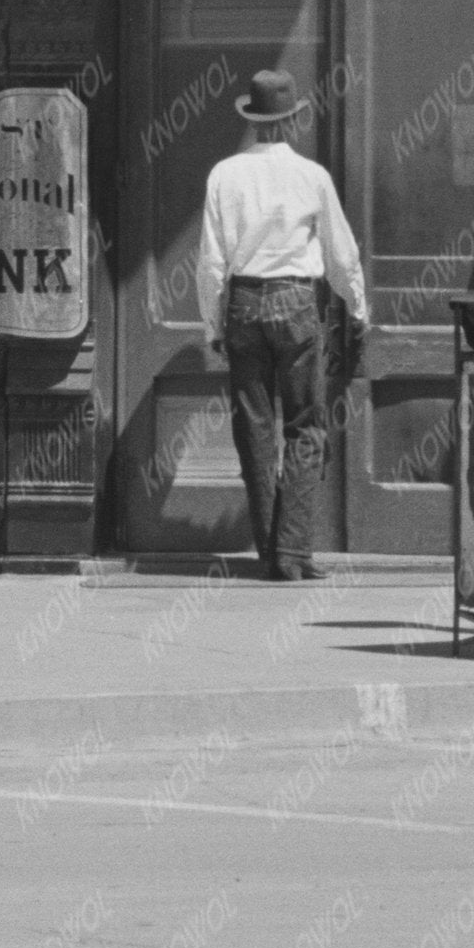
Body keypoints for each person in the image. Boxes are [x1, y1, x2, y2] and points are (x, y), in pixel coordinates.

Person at [191, 64, 368, 581]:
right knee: (305, 427)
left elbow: (210, 262)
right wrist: (357, 308)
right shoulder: (312, 177)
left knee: (254, 429)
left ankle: (269, 551)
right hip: (296, 301)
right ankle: (291, 553)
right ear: (291, 122)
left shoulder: (225, 174)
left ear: (252, 118)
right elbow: (341, 256)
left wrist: (213, 326)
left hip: (244, 303)